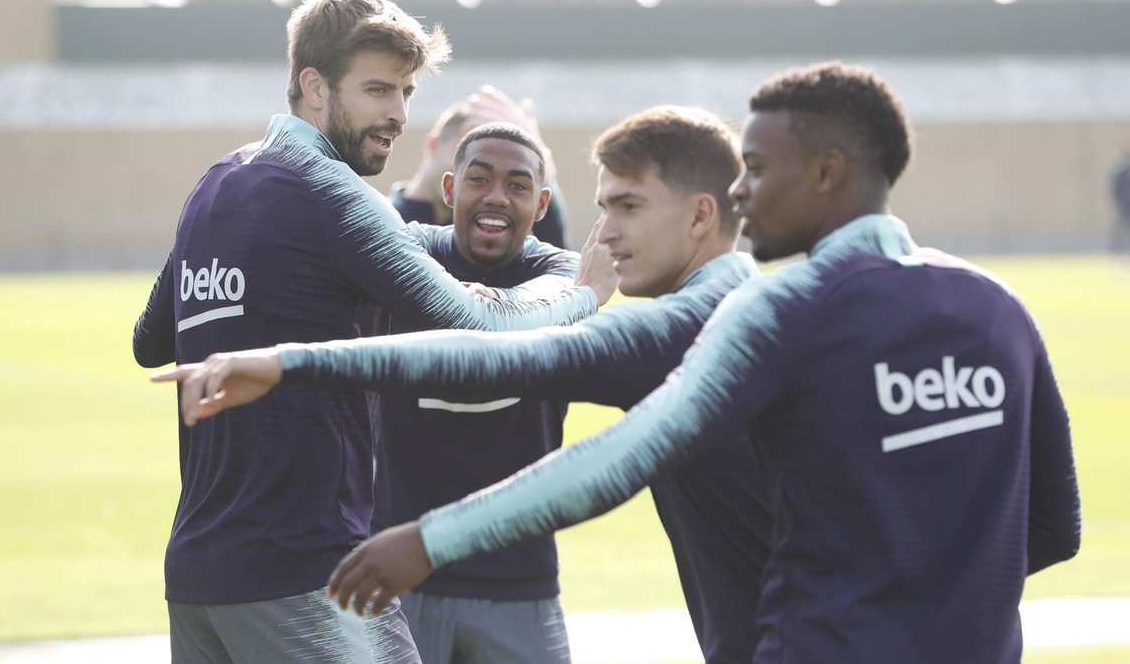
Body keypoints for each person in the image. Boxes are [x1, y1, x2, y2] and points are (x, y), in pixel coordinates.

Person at [321, 62, 1082, 662]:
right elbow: (1053, 528)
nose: (743, 191)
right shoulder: (997, 310)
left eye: (753, 167)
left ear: (825, 171)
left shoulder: (776, 321)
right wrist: (927, 605)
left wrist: (297, 366)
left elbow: (583, 432)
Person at [153, 106, 771, 663]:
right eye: (604, 207)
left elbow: (586, 457)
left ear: (700, 215)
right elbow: (479, 355)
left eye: (628, 207)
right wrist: (292, 361)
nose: (602, 235)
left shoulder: (697, 330)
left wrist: (427, 537)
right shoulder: (759, 311)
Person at [131, 0, 614, 662]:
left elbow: (148, 339)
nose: (398, 114)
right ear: (313, 85)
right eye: (378, 89)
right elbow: (475, 320)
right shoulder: (329, 193)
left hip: (197, 574)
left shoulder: (216, 183)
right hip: (303, 570)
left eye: (407, 91)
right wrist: (584, 294)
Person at [363, 121, 579, 663]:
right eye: (479, 180)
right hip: (397, 576)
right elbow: (373, 227)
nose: (497, 198)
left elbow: (510, 311)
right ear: (450, 189)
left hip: (519, 580)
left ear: (541, 202)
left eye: (518, 185)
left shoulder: (562, 274)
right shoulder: (403, 258)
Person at [393, 85, 570, 249]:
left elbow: (558, 256)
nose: (494, 195)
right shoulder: (385, 220)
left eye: (515, 182)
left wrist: (538, 163)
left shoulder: (495, 240)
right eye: (478, 174)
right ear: (433, 143)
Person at [1111, 148, 1130, 256]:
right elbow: (1115, 191)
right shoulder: (1120, 174)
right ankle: (1122, 253)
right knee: (1123, 230)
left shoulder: (1120, 174)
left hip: (1123, 207)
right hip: (1124, 207)